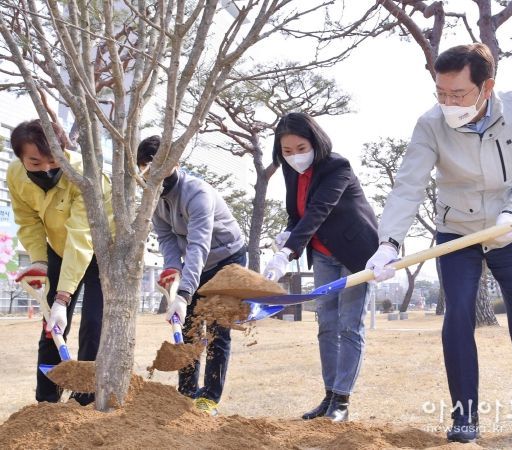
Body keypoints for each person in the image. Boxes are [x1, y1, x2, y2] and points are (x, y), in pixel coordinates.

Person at [366, 44, 512, 442]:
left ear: (487, 86)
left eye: (457, 94)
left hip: (511, 229)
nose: (448, 102)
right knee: (458, 316)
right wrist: (389, 242)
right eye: (440, 93)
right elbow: (408, 185)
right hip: (456, 231)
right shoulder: (430, 124)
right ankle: (465, 418)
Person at [264, 112, 378, 422]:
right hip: (323, 254)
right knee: (326, 323)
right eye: (287, 152)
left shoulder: (337, 167)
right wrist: (288, 231)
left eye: (301, 148)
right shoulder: (290, 171)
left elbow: (317, 212)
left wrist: (286, 253)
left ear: (315, 142)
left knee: (349, 325)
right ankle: (328, 396)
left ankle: (342, 399)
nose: (295, 157)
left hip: (357, 254)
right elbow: (297, 212)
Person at [137, 135, 246, 416]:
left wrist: (184, 294)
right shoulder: (156, 198)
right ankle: (186, 393)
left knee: (217, 330)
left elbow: (198, 245)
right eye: (144, 169)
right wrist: (173, 270)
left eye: (156, 167)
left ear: (174, 162)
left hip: (226, 259)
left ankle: (209, 397)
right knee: (189, 330)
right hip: (195, 264)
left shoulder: (198, 193)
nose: (150, 175)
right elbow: (167, 239)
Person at [8, 119, 112, 406]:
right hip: (57, 249)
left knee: (93, 323)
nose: (46, 169)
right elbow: (28, 221)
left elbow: (82, 236)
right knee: (51, 327)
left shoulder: (84, 174)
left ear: (64, 151)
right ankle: (46, 402)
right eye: (35, 162)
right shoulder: (15, 174)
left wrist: (63, 298)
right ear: (21, 158)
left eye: (53, 160)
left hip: (99, 251)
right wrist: (40, 262)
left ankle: (84, 400)